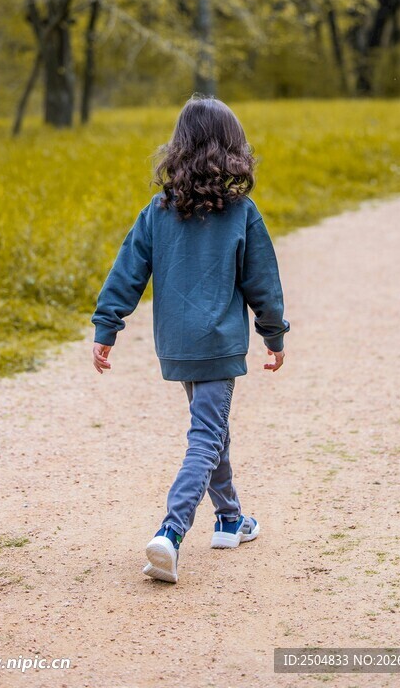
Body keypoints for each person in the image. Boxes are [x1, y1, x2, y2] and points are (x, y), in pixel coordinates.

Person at [91, 94, 290, 584]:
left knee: (211, 427)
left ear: (178, 149)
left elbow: (127, 271)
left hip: (177, 343)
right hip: (218, 342)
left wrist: (107, 326)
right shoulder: (241, 211)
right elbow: (262, 281)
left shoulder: (158, 212)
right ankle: (171, 532)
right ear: (232, 151)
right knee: (206, 435)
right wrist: (274, 334)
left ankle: (230, 520)